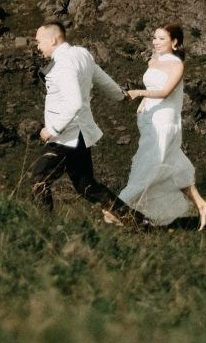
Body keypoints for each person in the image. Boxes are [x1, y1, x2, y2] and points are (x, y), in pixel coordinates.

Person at [31, 21, 144, 224]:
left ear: (53, 40)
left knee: (39, 179)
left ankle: (44, 228)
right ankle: (139, 223)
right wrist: (121, 95)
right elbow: (101, 77)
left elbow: (74, 103)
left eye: (39, 41)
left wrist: (52, 129)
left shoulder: (63, 63)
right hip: (80, 133)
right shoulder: (81, 54)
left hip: (65, 136)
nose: (38, 47)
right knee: (87, 187)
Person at [113, 24, 206, 230]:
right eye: (154, 38)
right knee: (172, 162)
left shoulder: (177, 65)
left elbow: (166, 92)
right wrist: (144, 103)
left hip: (164, 120)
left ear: (174, 42)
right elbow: (153, 86)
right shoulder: (154, 60)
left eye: (161, 39)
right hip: (149, 118)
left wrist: (139, 93)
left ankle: (116, 209)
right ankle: (202, 205)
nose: (155, 42)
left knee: (150, 165)